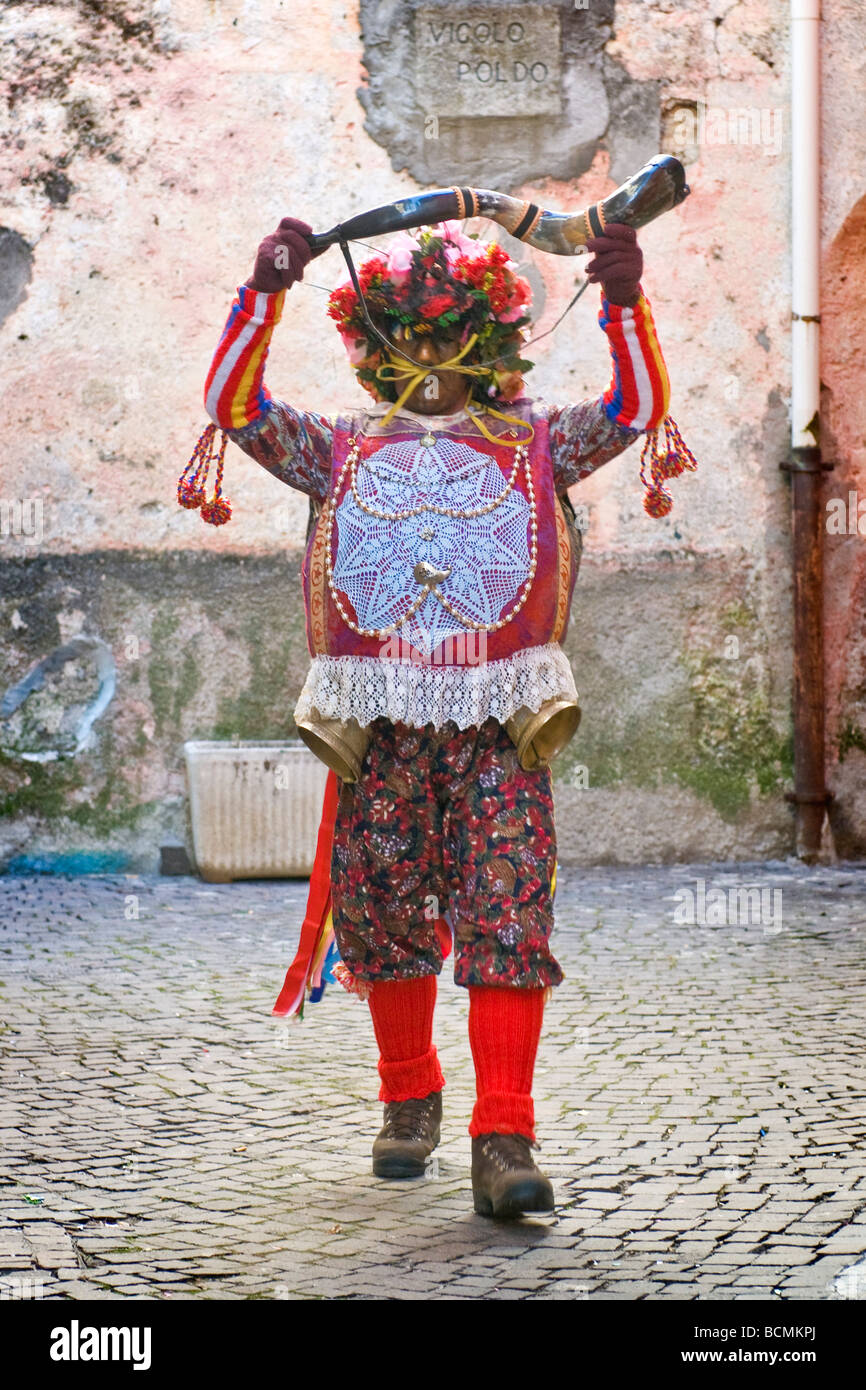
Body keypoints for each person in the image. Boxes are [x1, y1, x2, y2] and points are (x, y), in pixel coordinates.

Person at [201, 213, 671, 1219]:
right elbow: (234, 407)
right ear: (372, 346)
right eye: (401, 336)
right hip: (379, 730)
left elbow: (635, 406)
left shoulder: (539, 443)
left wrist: (624, 297)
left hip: (501, 725)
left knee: (506, 911)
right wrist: (264, 291)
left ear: (485, 340)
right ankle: (407, 1094)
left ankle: (503, 1133)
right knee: (381, 910)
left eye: (441, 332)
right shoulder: (335, 450)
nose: (423, 355)